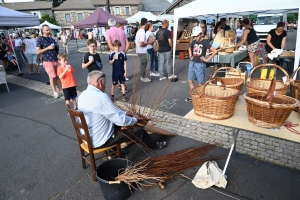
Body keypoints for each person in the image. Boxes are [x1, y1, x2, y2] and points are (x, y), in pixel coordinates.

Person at [78, 70, 168, 150]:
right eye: (105, 83)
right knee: (139, 131)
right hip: (99, 140)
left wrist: (125, 113)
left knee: (115, 123)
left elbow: (112, 113)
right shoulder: (101, 97)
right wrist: (135, 119)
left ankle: (113, 153)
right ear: (100, 82)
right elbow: (120, 120)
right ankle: (154, 145)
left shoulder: (83, 95)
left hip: (87, 138)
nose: (105, 86)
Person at [185, 26, 217, 102]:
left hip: (200, 64)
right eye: (195, 36)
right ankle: (194, 96)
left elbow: (215, 51)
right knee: (190, 80)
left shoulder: (205, 42)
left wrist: (207, 59)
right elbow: (189, 48)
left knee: (200, 83)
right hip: (192, 63)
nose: (196, 37)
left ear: (201, 34)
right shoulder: (193, 41)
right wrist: (190, 56)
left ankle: (199, 97)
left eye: (197, 35)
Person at [36, 24, 63, 98]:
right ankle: (55, 92)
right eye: (47, 29)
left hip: (55, 59)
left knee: (58, 76)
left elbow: (56, 48)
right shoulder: (40, 39)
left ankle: (60, 89)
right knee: (52, 76)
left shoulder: (52, 39)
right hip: (48, 60)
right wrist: (48, 48)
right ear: (43, 30)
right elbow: (38, 51)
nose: (48, 30)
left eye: (49, 29)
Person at [135, 18, 152, 82]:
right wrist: (148, 43)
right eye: (147, 23)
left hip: (139, 50)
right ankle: (143, 77)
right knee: (143, 64)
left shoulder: (139, 31)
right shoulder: (142, 32)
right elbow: (141, 44)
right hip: (142, 50)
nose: (147, 24)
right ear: (145, 23)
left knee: (143, 64)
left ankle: (143, 76)